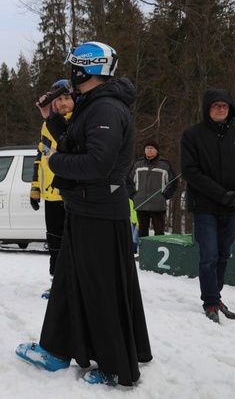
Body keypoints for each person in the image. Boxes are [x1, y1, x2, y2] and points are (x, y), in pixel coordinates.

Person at [15, 42, 152, 386]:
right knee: (69, 284)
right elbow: (77, 143)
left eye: (74, 69)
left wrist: (53, 161)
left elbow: (97, 163)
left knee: (99, 290)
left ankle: (116, 367)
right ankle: (56, 349)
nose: (71, 77)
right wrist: (52, 122)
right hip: (87, 208)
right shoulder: (93, 104)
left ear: (84, 70)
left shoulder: (104, 108)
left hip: (99, 213)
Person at [180, 89, 235, 323]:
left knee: (224, 254)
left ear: (230, 109)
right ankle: (211, 302)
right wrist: (223, 195)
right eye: (216, 105)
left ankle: (216, 296)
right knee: (209, 255)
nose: (220, 109)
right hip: (205, 206)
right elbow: (190, 172)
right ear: (207, 108)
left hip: (233, 206)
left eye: (225, 105)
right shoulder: (192, 135)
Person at [30, 79, 74, 299]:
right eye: (59, 99)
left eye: (67, 98)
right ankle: (56, 282)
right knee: (55, 242)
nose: (63, 103)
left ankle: (75, 284)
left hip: (72, 192)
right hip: (51, 194)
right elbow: (40, 157)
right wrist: (35, 188)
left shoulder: (77, 121)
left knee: (74, 241)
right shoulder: (46, 124)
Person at [130, 140, 178, 237]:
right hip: (141, 204)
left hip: (158, 205)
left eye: (152, 148)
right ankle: (143, 252)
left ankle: (157, 251)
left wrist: (164, 196)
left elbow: (173, 182)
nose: (149, 150)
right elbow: (128, 181)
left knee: (159, 232)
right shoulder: (137, 164)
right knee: (142, 232)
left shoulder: (165, 165)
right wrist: (133, 195)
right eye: (147, 148)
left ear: (157, 151)